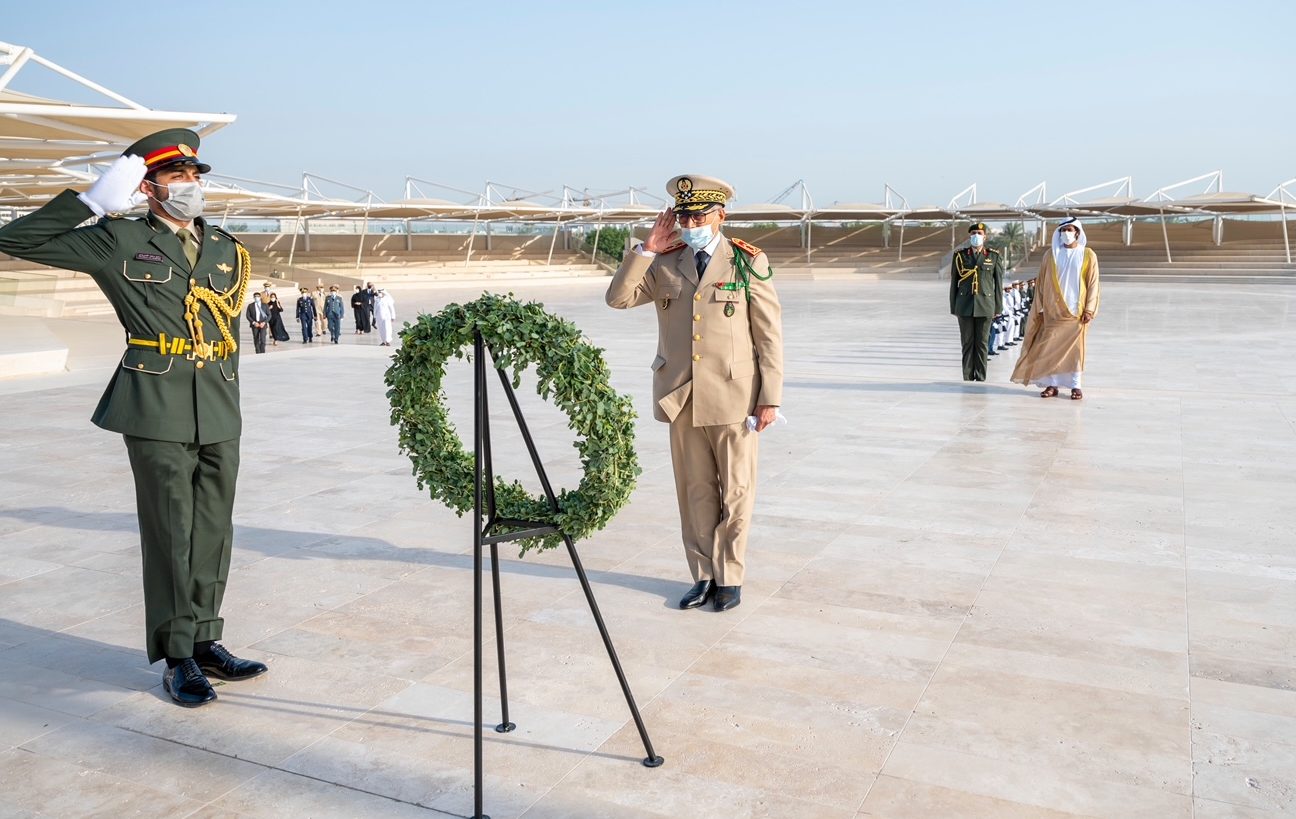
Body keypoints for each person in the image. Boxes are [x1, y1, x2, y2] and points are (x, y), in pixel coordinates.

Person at [0, 128, 268, 707]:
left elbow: (224, 331)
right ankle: (176, 657)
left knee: (214, 528)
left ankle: (204, 639)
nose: (190, 187)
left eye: (196, 177)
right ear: (147, 187)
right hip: (156, 403)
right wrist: (90, 203)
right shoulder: (116, 240)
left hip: (218, 402)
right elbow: (14, 240)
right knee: (171, 528)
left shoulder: (225, 247)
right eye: (177, 177)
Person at [606, 174, 783, 613]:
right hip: (680, 396)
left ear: (721, 215)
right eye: (682, 214)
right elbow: (618, 297)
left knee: (736, 492)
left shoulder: (747, 262)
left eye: (699, 214)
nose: (690, 222)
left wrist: (770, 398)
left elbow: (769, 336)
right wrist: (647, 248)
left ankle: (731, 577)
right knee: (695, 490)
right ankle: (703, 575)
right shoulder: (665, 262)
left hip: (734, 397)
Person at [1012, 217, 1101, 399]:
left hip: (1077, 312)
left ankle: (1076, 386)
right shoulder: (1050, 255)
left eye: (1070, 229)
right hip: (1053, 311)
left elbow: (1093, 284)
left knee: (1076, 351)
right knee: (1050, 349)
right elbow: (1042, 283)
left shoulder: (1088, 255)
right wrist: (1041, 308)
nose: (1066, 233)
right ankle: (1052, 385)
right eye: (1063, 230)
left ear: (1077, 232)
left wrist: (1089, 309)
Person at [949, 222, 1004, 381]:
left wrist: (998, 307)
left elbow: (998, 284)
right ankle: (967, 376)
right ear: (969, 236)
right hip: (964, 305)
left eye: (979, 233)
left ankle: (980, 376)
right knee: (967, 343)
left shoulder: (993, 256)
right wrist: (954, 306)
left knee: (982, 343)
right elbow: (954, 282)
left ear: (985, 236)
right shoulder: (960, 255)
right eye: (973, 233)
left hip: (986, 305)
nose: (976, 236)